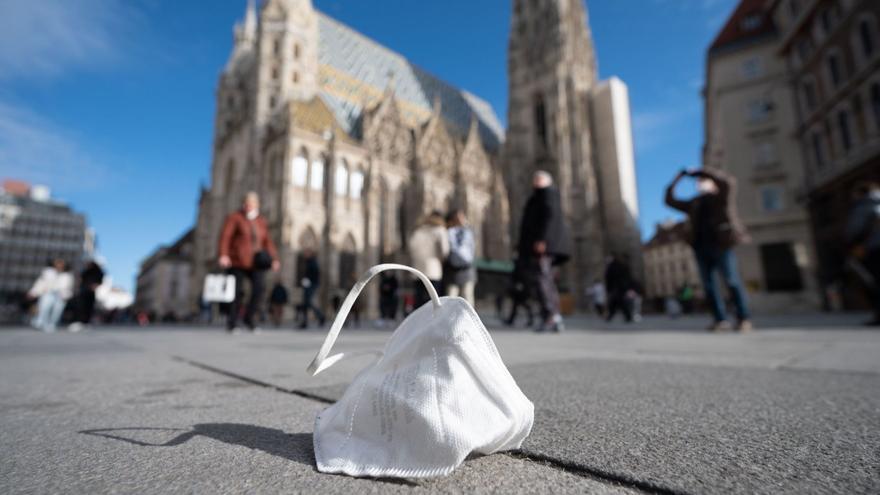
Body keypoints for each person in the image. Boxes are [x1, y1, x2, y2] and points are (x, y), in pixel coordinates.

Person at [665, 168, 752, 332]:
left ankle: (743, 318)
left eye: (704, 182)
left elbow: (728, 182)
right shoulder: (694, 203)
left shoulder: (721, 197)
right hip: (700, 246)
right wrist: (678, 178)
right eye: (699, 183)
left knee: (731, 281)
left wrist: (701, 172)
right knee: (709, 285)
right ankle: (720, 320)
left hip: (722, 245)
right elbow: (669, 200)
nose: (701, 184)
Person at [517, 170, 572, 333]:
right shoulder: (540, 195)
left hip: (542, 246)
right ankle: (554, 316)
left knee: (542, 280)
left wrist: (542, 240)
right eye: (535, 179)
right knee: (545, 280)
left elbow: (550, 217)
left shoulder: (548, 194)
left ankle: (550, 316)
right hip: (538, 245)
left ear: (546, 181)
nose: (535, 181)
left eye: (538, 179)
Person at [218, 191, 280, 333]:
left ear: (256, 205)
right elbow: (225, 236)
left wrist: (274, 258)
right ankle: (232, 322)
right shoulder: (235, 217)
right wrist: (223, 255)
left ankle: (249, 318)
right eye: (246, 203)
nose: (248, 206)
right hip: (237, 261)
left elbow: (267, 242)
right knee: (236, 292)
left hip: (256, 262)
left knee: (259, 289)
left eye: (251, 203)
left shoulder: (260, 221)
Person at [845, 181, 880, 326]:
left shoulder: (863, 206)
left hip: (872, 249)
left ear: (860, 193)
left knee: (874, 282)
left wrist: (851, 243)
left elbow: (854, 229)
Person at [408, 211, 449, 308]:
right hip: (433, 269)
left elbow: (411, 247)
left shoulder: (418, 231)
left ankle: (418, 321)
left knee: (419, 299)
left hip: (417, 269)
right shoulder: (440, 230)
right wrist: (441, 260)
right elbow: (445, 250)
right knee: (433, 299)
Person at [27, 258, 74, 333]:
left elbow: (69, 287)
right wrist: (33, 292)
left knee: (57, 311)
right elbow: (40, 283)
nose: (60, 265)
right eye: (58, 263)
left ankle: (52, 324)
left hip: (61, 295)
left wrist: (67, 296)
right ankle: (41, 322)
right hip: (48, 293)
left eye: (61, 264)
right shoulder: (48, 272)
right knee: (44, 308)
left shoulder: (67, 275)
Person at [444, 209, 477, 305]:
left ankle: (465, 319)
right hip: (457, 270)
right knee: (460, 298)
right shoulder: (467, 232)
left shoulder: (466, 232)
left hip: (462, 269)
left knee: (462, 298)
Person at [69, 260, 104, 332]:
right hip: (83, 290)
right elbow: (80, 279)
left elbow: (99, 281)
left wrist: (95, 286)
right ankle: (78, 322)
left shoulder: (98, 272)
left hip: (90, 292)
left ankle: (86, 323)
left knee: (89, 307)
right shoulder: (86, 271)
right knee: (80, 306)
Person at [297, 248, 325, 329]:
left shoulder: (313, 262)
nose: (305, 254)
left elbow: (315, 273)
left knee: (307, 302)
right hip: (308, 285)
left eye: (306, 253)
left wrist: (308, 280)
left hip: (312, 284)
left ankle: (321, 316)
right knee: (305, 303)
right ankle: (305, 322)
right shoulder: (308, 262)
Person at [504, 256, 534, 327]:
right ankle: (511, 320)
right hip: (521, 286)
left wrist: (520, 284)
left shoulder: (521, 264)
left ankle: (512, 320)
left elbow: (521, 275)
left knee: (521, 303)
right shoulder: (520, 263)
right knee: (518, 304)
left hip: (522, 287)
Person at [605, 255, 634, 323]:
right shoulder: (621, 266)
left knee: (617, 302)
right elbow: (628, 277)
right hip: (621, 287)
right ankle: (626, 316)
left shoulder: (612, 267)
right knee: (616, 302)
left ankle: (612, 316)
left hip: (616, 287)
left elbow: (608, 278)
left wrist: (608, 288)